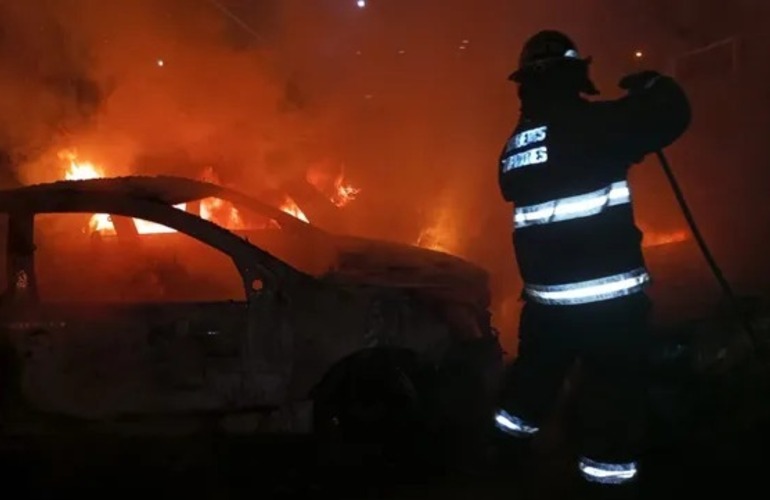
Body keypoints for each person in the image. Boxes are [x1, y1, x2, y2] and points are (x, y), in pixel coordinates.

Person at [494, 30, 691, 495]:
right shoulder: (594, 126)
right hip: (607, 305)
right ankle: (606, 482)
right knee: (613, 397)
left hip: (545, 304)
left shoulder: (515, 147)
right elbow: (670, 117)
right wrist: (655, 85)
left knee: (530, 386)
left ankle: (504, 459)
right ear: (572, 74)